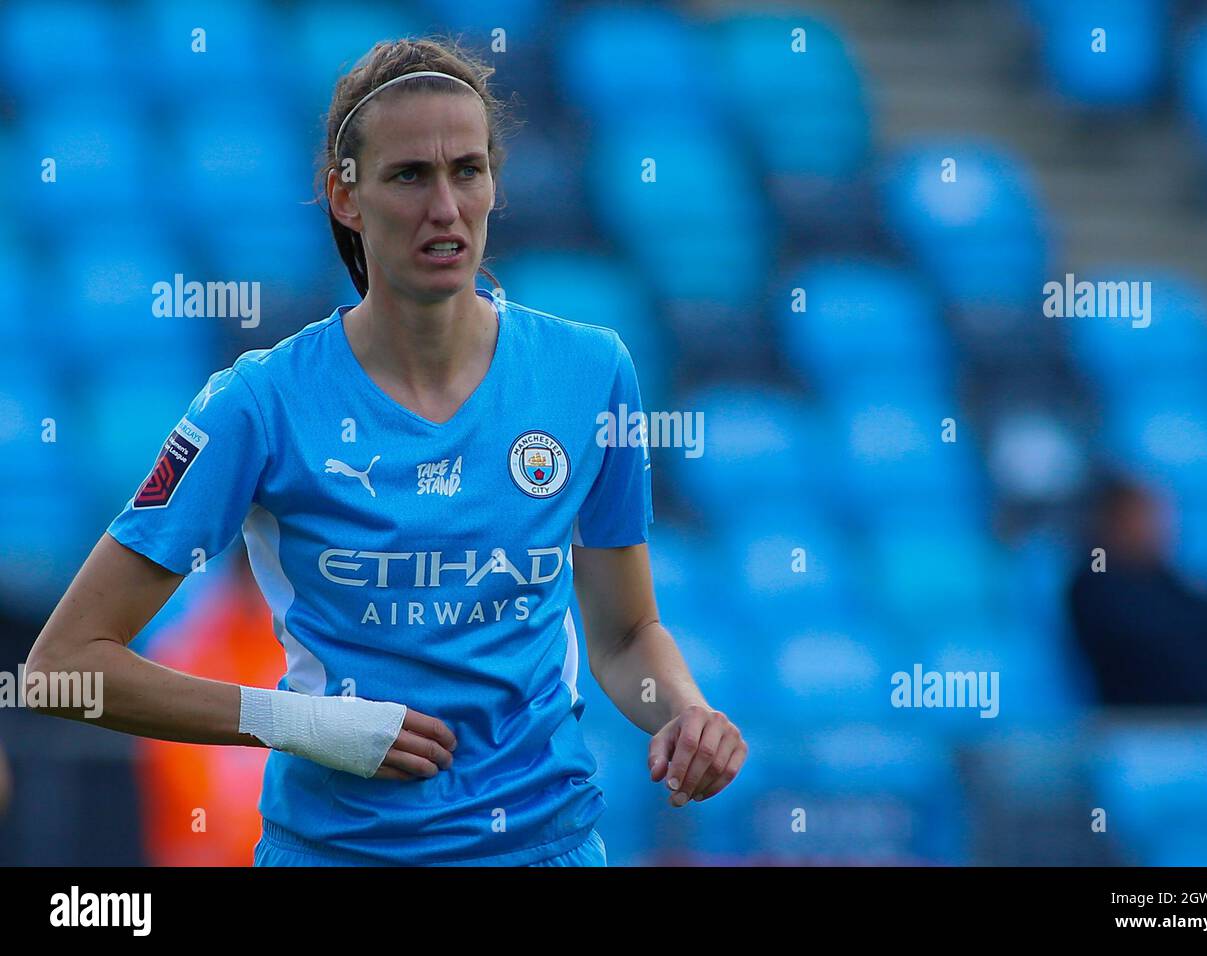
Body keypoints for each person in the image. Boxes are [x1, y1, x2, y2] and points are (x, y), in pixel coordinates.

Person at [26, 36, 746, 866]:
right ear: (346, 195)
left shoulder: (590, 374)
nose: (445, 207)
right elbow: (63, 666)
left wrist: (684, 713)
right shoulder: (259, 403)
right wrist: (299, 722)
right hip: (336, 851)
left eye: (467, 171)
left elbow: (625, 637)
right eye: (410, 175)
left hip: (544, 846)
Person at [1066, 476, 1207, 706]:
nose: (1156, 528)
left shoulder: (1166, 580)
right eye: (1141, 517)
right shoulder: (1094, 587)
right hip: (1137, 721)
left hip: (1203, 717)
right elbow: (1149, 651)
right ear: (1111, 522)